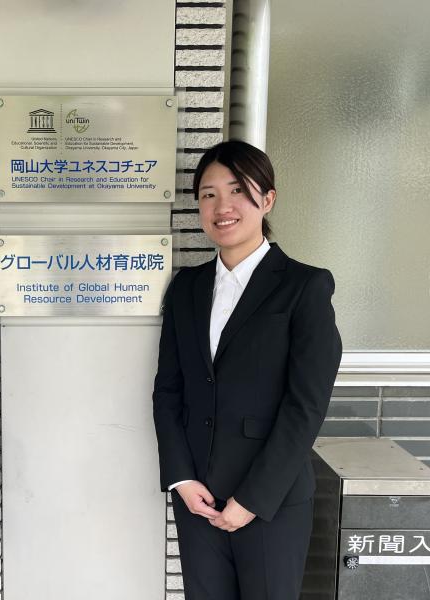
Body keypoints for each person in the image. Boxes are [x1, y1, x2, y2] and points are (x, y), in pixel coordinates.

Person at [152, 140, 342, 599]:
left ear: (268, 198)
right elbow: (168, 392)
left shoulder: (304, 287)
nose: (223, 206)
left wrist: (252, 499)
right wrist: (182, 479)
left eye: (238, 190)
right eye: (208, 194)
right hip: (198, 499)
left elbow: (306, 405)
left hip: (270, 501)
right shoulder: (188, 288)